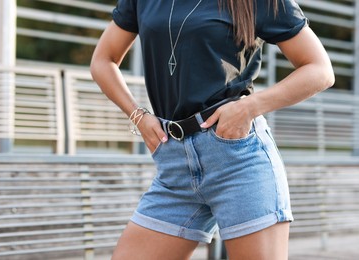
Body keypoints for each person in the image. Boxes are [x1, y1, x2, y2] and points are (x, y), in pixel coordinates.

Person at [90, 0, 334, 259]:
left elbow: (319, 69)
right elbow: (103, 60)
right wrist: (137, 115)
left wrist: (250, 107)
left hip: (236, 159)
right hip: (174, 165)